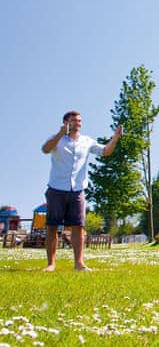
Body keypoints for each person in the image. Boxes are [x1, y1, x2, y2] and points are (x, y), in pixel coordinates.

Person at [41, 111, 122, 272]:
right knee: (52, 226)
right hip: (56, 188)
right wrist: (60, 134)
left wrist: (115, 138)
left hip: (77, 190)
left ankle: (79, 263)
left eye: (79, 121)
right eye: (74, 120)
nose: (78, 123)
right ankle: (51, 264)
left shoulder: (86, 141)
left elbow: (105, 151)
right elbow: (45, 149)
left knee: (78, 226)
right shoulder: (57, 139)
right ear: (66, 123)